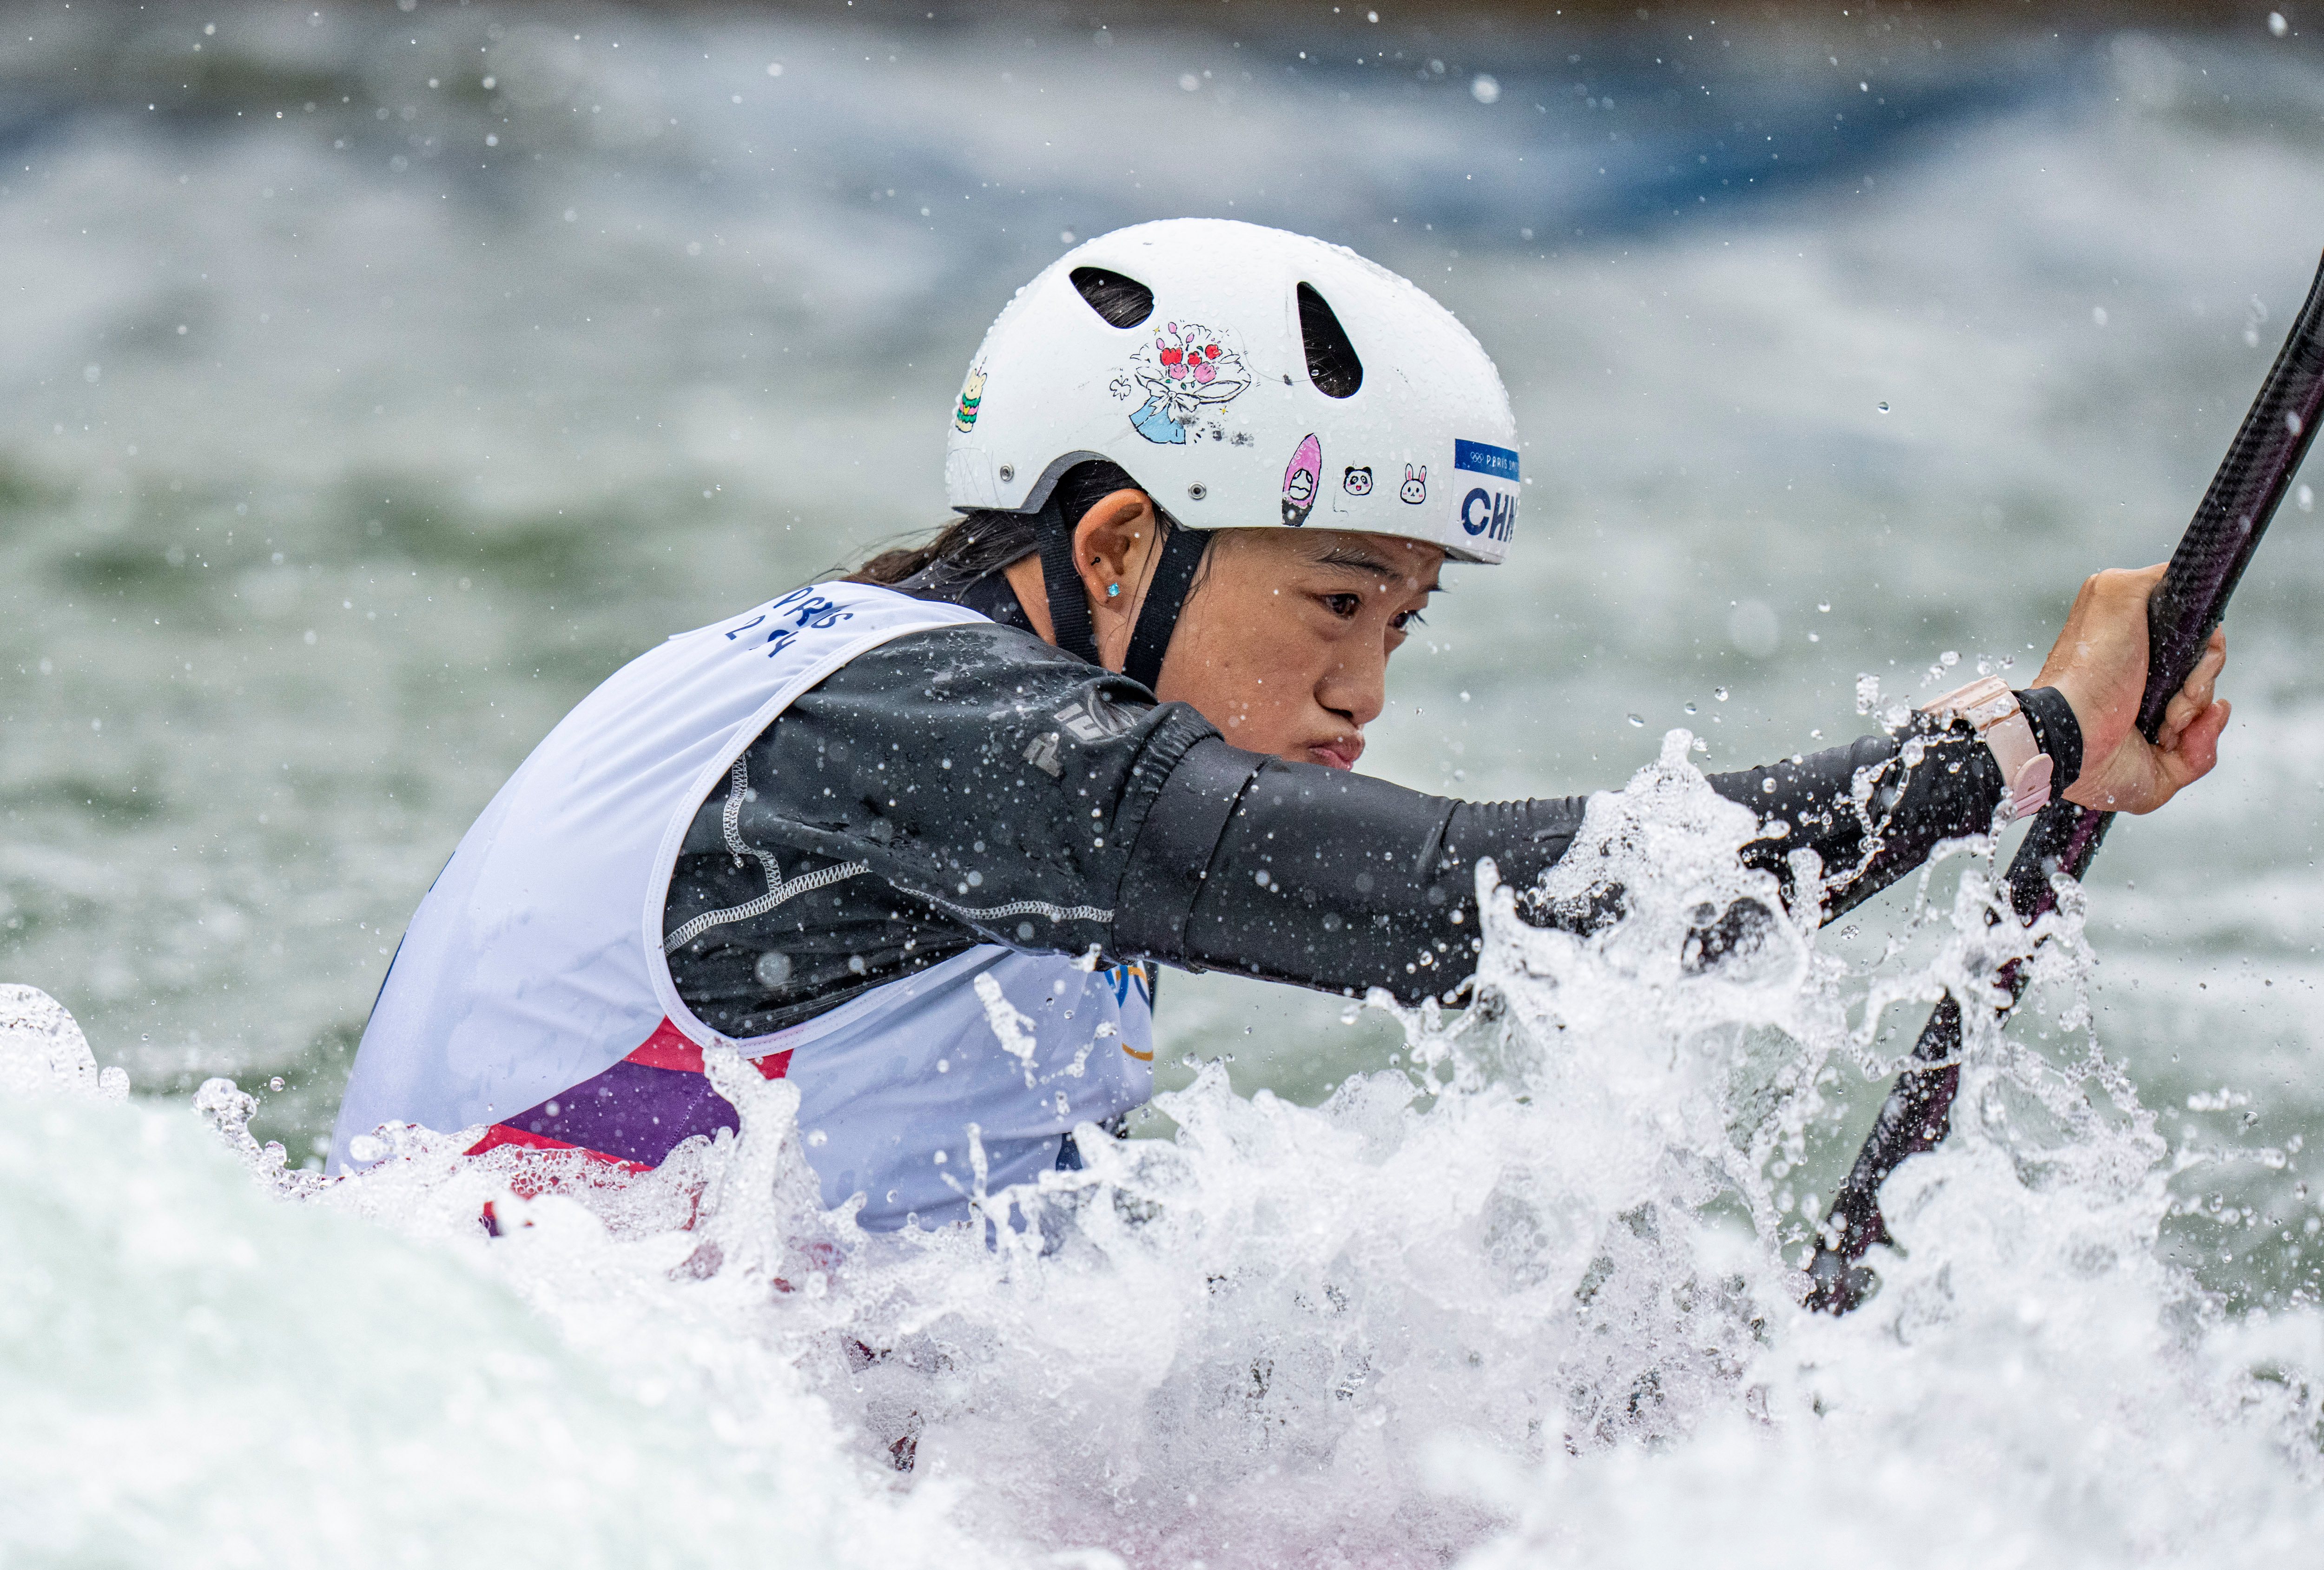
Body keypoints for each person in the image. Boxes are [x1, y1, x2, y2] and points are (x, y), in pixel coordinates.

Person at [329, 218, 2230, 1233]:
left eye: (1402, 619)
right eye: (1332, 600)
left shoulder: (872, 688)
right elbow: (1484, 908)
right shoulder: (939, 731)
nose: (1364, 690)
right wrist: (2006, 747)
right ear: (1116, 540)